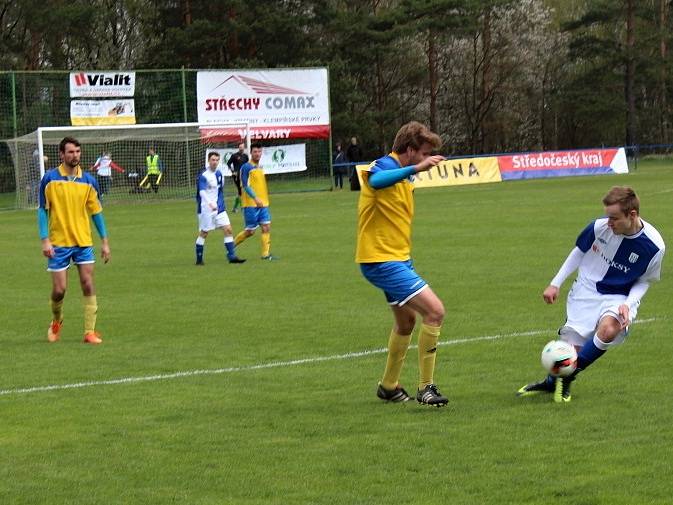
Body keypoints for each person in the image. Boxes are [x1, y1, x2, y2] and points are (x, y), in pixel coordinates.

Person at [517, 186, 665, 403]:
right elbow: (578, 252)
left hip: (619, 297)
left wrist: (628, 304)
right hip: (586, 290)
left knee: (609, 329)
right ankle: (551, 383)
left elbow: (644, 281)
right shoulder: (599, 228)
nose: (608, 223)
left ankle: (567, 378)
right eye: (607, 216)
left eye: (614, 218)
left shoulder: (654, 247)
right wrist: (555, 284)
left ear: (632, 215)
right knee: (570, 352)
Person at [356, 121, 448, 406]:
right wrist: (415, 169)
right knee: (435, 312)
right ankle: (426, 388)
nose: (425, 160)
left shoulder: (403, 174)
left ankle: (388, 386)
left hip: (398, 259)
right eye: (423, 154)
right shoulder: (383, 166)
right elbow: (375, 181)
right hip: (381, 260)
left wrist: (413, 171)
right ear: (409, 151)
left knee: (406, 322)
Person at [38, 136, 111, 345]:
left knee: (88, 283)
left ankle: (89, 332)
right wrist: (45, 240)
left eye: (77, 152)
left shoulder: (88, 181)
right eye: (70, 152)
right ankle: (56, 320)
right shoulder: (50, 179)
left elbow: (96, 213)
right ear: (61, 154)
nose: (75, 155)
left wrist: (104, 241)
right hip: (58, 242)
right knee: (59, 289)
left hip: (83, 242)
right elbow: (43, 211)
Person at [195, 152, 246, 265]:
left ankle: (231, 256)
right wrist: (210, 203)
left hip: (219, 208)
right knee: (204, 233)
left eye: (217, 160)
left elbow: (219, 191)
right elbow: (202, 192)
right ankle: (199, 259)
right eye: (213, 160)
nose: (215, 162)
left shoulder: (219, 174)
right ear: (208, 161)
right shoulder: (203, 175)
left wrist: (219, 205)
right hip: (206, 209)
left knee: (228, 229)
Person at [234, 143, 278, 260]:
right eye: (255, 152)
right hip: (250, 204)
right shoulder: (246, 167)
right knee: (250, 231)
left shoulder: (259, 167)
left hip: (263, 204)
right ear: (251, 153)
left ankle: (265, 254)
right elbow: (245, 185)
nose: (257, 154)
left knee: (266, 227)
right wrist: (255, 198)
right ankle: (230, 247)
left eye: (259, 152)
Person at [227, 142, 248, 213]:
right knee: (240, 190)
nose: (241, 148)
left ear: (244, 147)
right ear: (238, 148)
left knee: (241, 191)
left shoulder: (245, 156)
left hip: (244, 175)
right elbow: (228, 163)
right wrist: (232, 170)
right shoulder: (234, 155)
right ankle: (242, 207)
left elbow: (247, 165)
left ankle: (235, 208)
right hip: (236, 175)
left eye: (242, 147)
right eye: (240, 147)